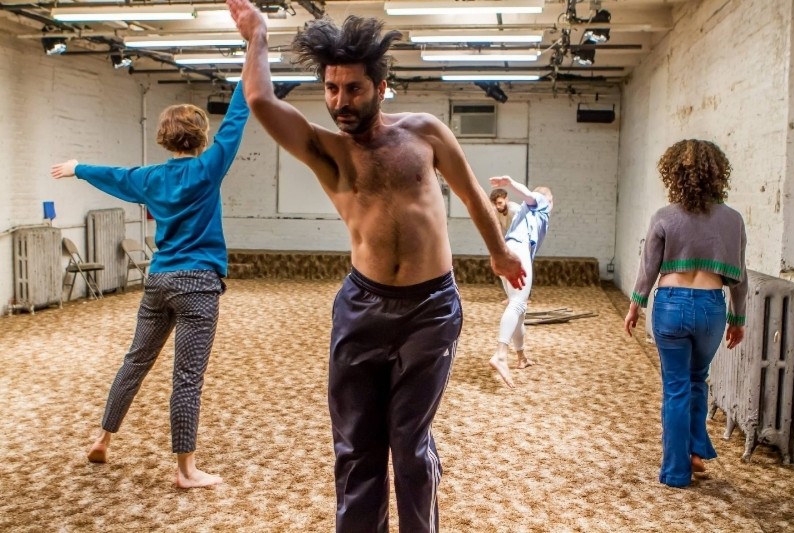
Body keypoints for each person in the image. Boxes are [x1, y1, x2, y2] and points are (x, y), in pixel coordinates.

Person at [224, 1, 525, 530]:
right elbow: (260, 99)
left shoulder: (425, 133)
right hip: (362, 307)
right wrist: (258, 35)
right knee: (357, 446)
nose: (340, 101)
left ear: (381, 87)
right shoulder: (327, 151)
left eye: (353, 89)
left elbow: (472, 192)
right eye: (331, 88)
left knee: (409, 443)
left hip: (430, 309)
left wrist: (499, 252)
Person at [50, 81, 250, 489]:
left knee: (134, 363)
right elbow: (235, 120)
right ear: (201, 137)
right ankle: (186, 471)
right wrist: (250, 72)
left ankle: (102, 439)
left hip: (158, 280)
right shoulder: (208, 168)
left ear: (164, 138)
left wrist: (77, 168)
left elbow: (115, 176)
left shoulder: (150, 178)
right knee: (187, 378)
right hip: (198, 284)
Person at [623, 139, 747, 488]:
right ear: (718, 174)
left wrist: (635, 304)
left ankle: (677, 471)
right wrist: (738, 319)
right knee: (697, 380)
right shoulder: (733, 220)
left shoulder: (664, 217)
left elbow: (648, 267)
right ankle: (695, 451)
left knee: (676, 387)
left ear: (674, 174)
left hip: (671, 305)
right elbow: (739, 276)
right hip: (710, 307)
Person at [488, 176, 553, 388]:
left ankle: (521, 357)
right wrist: (510, 183)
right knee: (517, 304)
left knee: (520, 311)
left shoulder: (527, 213)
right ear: (549, 200)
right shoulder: (541, 203)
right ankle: (500, 354)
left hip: (508, 250)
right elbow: (529, 195)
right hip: (518, 250)